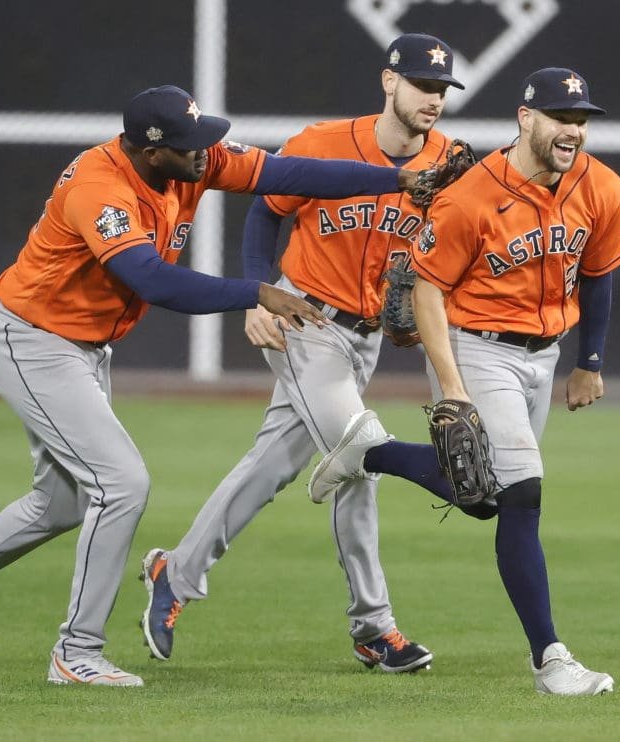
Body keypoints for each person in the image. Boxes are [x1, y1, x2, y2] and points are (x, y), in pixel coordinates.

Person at [0, 84, 435, 687]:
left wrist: (398, 180)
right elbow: (153, 281)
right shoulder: (99, 188)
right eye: (191, 145)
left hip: (80, 347)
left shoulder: (190, 160)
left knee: (64, 502)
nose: (206, 152)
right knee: (121, 484)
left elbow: (290, 172)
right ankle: (76, 651)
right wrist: (256, 292)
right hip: (31, 339)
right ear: (152, 152)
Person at [139, 34, 464, 673]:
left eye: (442, 89)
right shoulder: (322, 142)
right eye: (422, 85)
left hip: (367, 337)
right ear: (389, 81)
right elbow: (265, 213)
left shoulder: (450, 162)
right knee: (361, 453)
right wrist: (257, 297)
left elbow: (446, 252)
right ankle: (375, 627)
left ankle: (173, 572)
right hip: (304, 319)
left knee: (271, 466)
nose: (433, 98)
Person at [307, 67, 620, 696]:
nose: (573, 131)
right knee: (524, 492)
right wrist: (452, 384)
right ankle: (551, 660)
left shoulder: (602, 186)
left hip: (544, 354)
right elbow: (426, 291)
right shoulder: (473, 195)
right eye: (561, 119)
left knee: (484, 498)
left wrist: (590, 361)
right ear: (526, 118)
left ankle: (370, 451)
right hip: (476, 346)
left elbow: (599, 273)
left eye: (581, 120)